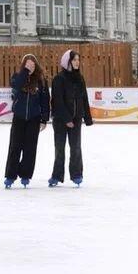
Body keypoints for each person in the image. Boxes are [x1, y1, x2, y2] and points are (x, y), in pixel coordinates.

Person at [4, 54, 50, 189]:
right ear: (24, 65)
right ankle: (10, 175)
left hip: (34, 118)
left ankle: (25, 175)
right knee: (15, 147)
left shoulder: (41, 80)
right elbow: (16, 86)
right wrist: (25, 72)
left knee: (30, 148)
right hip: (19, 117)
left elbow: (45, 100)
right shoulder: (17, 76)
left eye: (32, 64)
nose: (30, 66)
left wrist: (44, 118)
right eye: (28, 64)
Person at [49, 50, 93, 187]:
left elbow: (84, 98)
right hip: (61, 120)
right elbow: (57, 102)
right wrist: (67, 119)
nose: (77, 62)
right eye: (74, 60)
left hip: (76, 119)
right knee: (59, 149)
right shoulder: (59, 79)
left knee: (76, 148)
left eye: (78, 60)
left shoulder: (80, 78)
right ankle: (56, 176)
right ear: (67, 61)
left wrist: (87, 117)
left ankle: (77, 174)